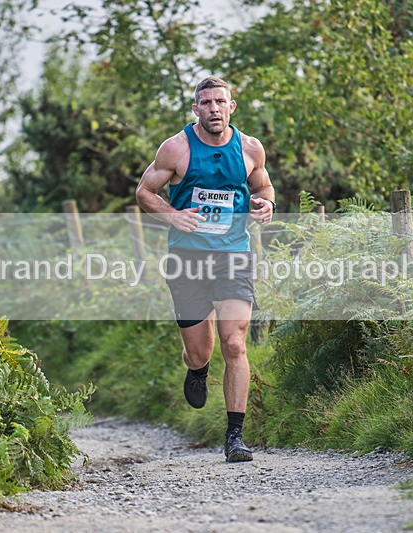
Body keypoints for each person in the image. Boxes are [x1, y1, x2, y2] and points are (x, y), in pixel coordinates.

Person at [136, 76, 275, 463]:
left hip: (234, 254)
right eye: (206, 103)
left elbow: (263, 188)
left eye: (220, 102)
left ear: (231, 107)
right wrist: (172, 215)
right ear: (196, 109)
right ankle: (196, 371)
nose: (213, 108)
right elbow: (144, 192)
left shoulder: (249, 148)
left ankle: (235, 436)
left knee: (234, 342)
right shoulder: (176, 148)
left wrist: (266, 205)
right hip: (187, 258)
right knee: (200, 352)